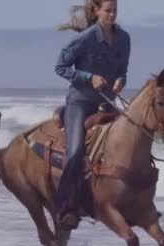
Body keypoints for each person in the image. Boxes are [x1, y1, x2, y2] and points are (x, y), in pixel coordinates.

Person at [54, 0, 131, 229]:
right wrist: (89, 78)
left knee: (131, 144)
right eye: (108, 11)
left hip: (107, 104)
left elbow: (123, 71)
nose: (112, 15)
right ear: (96, 11)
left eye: (115, 11)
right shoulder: (85, 38)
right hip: (80, 103)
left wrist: (120, 81)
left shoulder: (124, 38)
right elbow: (60, 67)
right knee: (76, 151)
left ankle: (126, 201)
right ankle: (65, 205)